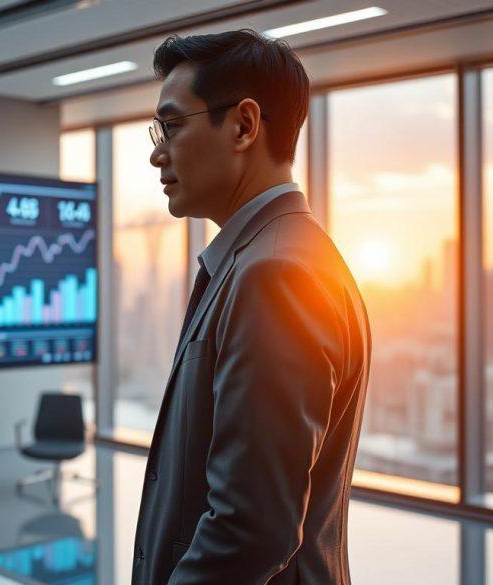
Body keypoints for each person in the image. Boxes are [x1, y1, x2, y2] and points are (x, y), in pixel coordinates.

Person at [133, 30, 371, 585]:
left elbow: (251, 528)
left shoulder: (276, 273)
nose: (156, 151)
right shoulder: (272, 256)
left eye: (171, 126)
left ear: (243, 125)